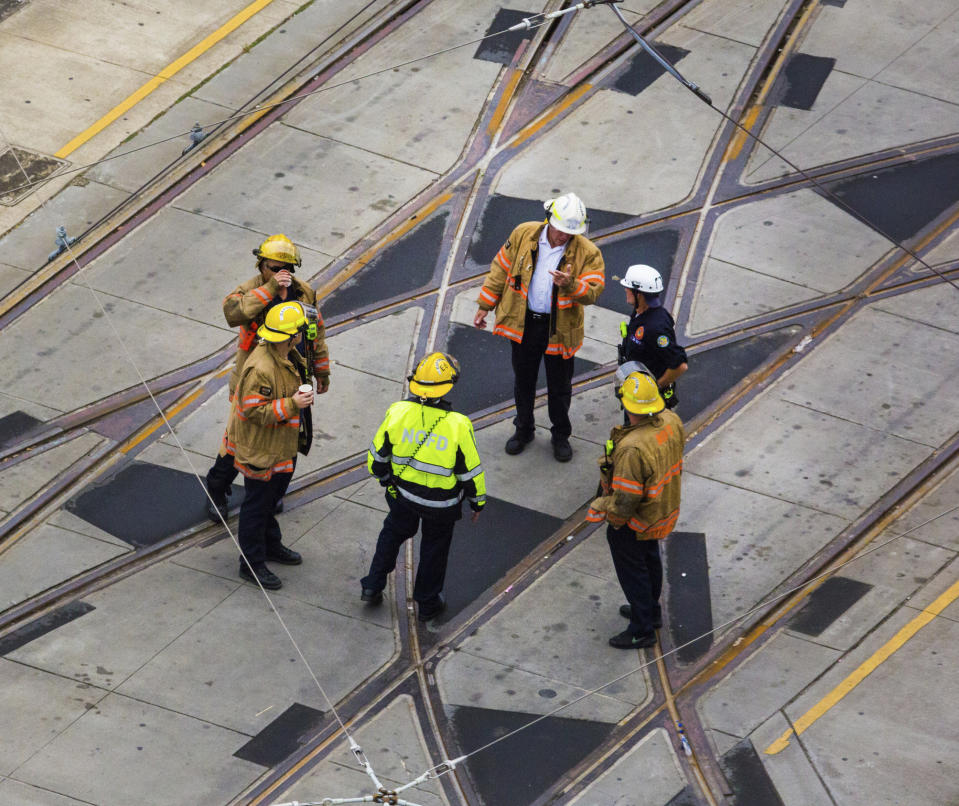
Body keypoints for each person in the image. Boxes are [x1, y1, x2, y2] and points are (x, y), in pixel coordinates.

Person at [205, 234, 330, 521]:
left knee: (289, 433)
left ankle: (272, 490)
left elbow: (316, 334)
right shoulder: (249, 291)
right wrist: (272, 288)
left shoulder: (305, 293)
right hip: (255, 375)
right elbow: (234, 314)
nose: (282, 275)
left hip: (292, 372)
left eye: (287, 269)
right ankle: (217, 487)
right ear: (261, 265)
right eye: (274, 269)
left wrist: (321, 371)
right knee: (240, 439)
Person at [473, 192, 605, 462]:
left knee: (560, 387)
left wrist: (570, 284)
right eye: (560, 231)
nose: (563, 237)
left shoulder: (588, 253)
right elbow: (501, 267)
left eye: (570, 233)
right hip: (525, 325)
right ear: (549, 220)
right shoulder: (524, 234)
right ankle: (523, 430)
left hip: (559, 330)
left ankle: (560, 436)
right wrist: (485, 305)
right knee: (524, 382)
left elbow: (592, 292)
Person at [361, 352, 486, 622]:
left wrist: (386, 481)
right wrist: (477, 502)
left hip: (402, 496)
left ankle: (372, 584)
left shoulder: (398, 411)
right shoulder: (458, 425)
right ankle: (428, 603)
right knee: (434, 549)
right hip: (442, 506)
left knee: (392, 533)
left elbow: (376, 459)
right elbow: (470, 473)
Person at [586, 365, 685, 649]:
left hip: (635, 520)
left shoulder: (632, 447)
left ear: (625, 402)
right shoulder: (670, 420)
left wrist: (603, 510)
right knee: (650, 559)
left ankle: (641, 628)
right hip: (661, 510)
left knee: (633, 570)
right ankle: (650, 612)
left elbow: (626, 499)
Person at [227, 301, 316, 590]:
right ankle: (251, 564)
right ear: (290, 336)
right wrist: (293, 404)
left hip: (281, 447)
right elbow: (252, 411)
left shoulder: (286, 355)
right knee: (256, 507)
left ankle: (270, 545)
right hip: (262, 451)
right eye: (301, 331)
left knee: (269, 502)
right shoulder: (261, 368)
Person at [618, 264, 687, 411]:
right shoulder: (640, 313)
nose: (625, 290)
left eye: (629, 288)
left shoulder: (655, 328)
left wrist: (656, 386)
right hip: (636, 389)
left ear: (639, 294)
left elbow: (680, 365)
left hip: (648, 402)